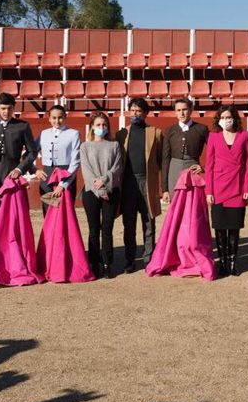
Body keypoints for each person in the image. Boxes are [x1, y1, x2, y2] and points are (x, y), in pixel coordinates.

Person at [116, 97, 163, 273]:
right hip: (128, 182)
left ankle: (149, 259)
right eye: (132, 110)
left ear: (145, 113)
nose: (135, 113)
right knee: (128, 224)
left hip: (147, 181)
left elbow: (160, 161)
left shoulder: (156, 133)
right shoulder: (122, 134)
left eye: (138, 111)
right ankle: (129, 260)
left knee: (148, 222)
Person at [0, 92, 38, 241]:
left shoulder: (22, 126)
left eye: (9, 108)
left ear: (14, 108)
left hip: (11, 171)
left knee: (12, 213)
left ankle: (12, 249)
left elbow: (32, 152)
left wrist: (20, 169)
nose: (6, 112)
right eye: (3, 108)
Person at [205, 105, 248, 277]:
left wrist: (247, 187)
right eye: (223, 117)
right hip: (218, 188)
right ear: (219, 120)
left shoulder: (244, 136)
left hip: (238, 188)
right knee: (219, 227)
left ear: (235, 118)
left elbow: (247, 164)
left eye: (229, 117)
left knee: (234, 228)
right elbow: (209, 165)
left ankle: (233, 262)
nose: (226, 120)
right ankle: (222, 262)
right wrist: (209, 191)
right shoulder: (213, 137)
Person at [81, 112, 123, 278]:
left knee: (107, 228)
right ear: (92, 126)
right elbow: (86, 171)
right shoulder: (85, 146)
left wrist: (105, 182)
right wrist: (100, 190)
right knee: (93, 229)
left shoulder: (114, 146)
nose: (101, 128)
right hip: (91, 192)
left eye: (104, 125)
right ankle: (94, 263)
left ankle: (107, 263)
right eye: (98, 125)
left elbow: (117, 168)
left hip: (111, 191)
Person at [35, 104, 81, 215]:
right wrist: (35, 169)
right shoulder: (44, 134)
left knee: (65, 213)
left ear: (65, 117)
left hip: (66, 174)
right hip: (47, 174)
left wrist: (63, 184)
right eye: (54, 118)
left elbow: (75, 161)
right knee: (48, 213)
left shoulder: (73, 134)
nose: (57, 121)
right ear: (49, 118)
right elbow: (30, 153)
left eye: (60, 117)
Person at [161, 98, 209, 198]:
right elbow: (165, 159)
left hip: (192, 169)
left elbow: (215, 151)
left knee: (192, 204)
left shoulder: (201, 129)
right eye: (178, 110)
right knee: (176, 205)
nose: (182, 113)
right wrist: (165, 189)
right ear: (175, 112)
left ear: (191, 110)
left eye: (184, 109)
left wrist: (204, 168)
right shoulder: (170, 131)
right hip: (174, 170)